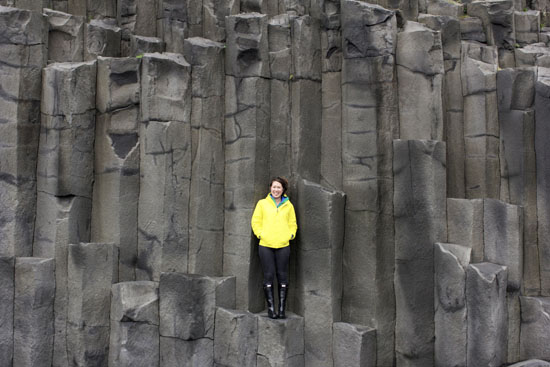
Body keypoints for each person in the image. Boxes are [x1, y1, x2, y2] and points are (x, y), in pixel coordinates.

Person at [251, 177, 297, 319]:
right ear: (270, 188)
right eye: (274, 187)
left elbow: (293, 223)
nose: (276, 190)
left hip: (283, 245)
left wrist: (290, 235)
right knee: (269, 275)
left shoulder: (289, 206)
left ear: (283, 190)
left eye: (279, 187)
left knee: (282, 275)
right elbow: (256, 221)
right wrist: (260, 234)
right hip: (266, 245)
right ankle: (271, 309)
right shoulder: (262, 204)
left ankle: (282, 309)